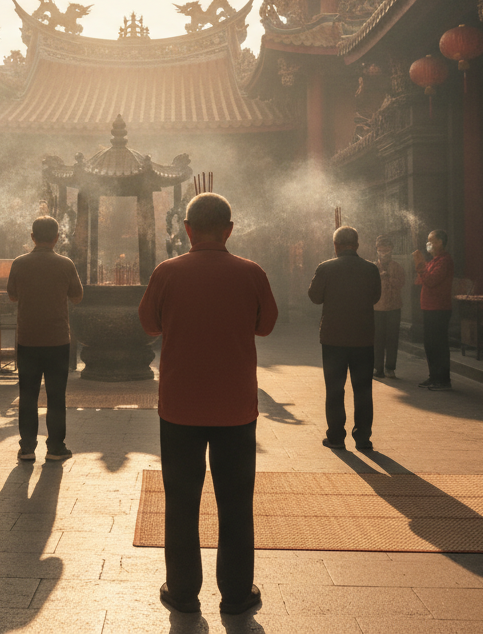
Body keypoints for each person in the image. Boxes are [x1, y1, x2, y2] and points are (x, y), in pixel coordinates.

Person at [138, 192, 278, 617]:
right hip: (236, 408)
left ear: (187, 230)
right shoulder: (251, 272)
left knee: (181, 499)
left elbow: (148, 325)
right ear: (230, 229)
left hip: (180, 406)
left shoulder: (167, 272)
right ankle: (236, 595)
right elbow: (267, 325)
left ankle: (182, 592)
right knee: (236, 501)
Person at [7, 215, 83, 462]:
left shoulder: (19, 263)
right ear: (56, 238)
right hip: (57, 340)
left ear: (32, 237)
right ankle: (55, 447)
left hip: (28, 339)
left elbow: (12, 295)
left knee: (27, 395)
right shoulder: (66, 264)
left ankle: (27, 447)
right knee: (56, 396)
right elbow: (78, 296)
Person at [307, 226, 382, 450]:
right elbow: (376, 297)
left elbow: (314, 297)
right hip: (363, 338)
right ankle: (363, 438)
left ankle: (336, 436)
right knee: (363, 389)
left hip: (333, 338)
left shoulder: (326, 268)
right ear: (357, 245)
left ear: (335, 246)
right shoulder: (370, 269)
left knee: (335, 389)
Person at [412, 229, 454, 391]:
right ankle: (434, 376)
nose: (428, 244)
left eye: (431, 241)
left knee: (439, 345)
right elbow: (419, 281)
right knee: (430, 344)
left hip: (439, 309)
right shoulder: (434, 260)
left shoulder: (444, 261)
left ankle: (443, 379)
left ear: (440, 243)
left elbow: (430, 281)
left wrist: (421, 265)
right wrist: (420, 265)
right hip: (429, 308)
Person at [372, 235, 406, 379]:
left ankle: (390, 368)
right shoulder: (373, 267)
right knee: (377, 339)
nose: (383, 254)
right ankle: (377, 368)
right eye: (380, 251)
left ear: (391, 251)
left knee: (392, 339)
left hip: (393, 307)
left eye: (386, 251)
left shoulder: (397, 267)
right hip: (377, 308)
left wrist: (387, 278)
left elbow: (400, 284)